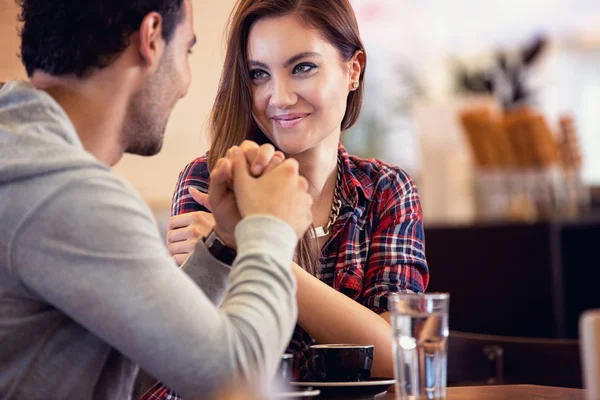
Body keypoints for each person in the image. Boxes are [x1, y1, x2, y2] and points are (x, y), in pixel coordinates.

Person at [0, 0, 314, 399]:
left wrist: (224, 245)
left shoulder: (20, 147)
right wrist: (272, 227)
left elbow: (149, 357)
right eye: (187, 50)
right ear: (151, 38)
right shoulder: (64, 189)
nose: (184, 83)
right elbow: (236, 382)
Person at [161, 0, 430, 396]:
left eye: (302, 67)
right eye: (259, 74)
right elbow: (196, 355)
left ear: (352, 69)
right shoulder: (212, 179)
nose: (279, 97)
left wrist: (247, 249)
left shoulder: (388, 190)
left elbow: (402, 353)